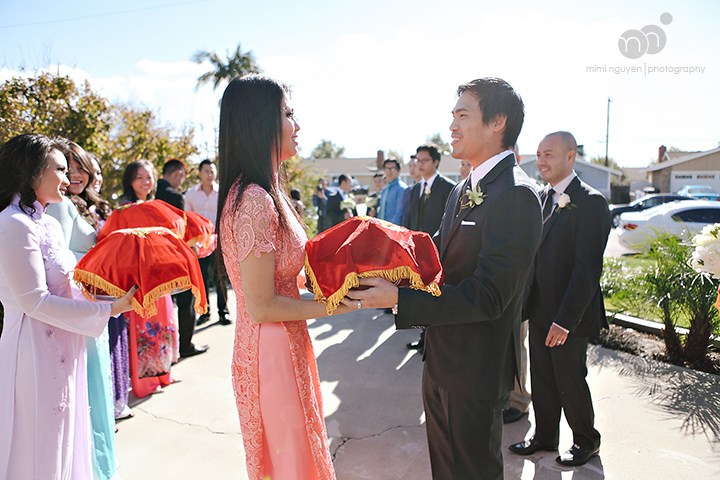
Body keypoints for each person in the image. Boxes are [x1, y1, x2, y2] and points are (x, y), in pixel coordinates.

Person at [347, 78, 542, 479]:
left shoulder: (516, 194)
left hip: (474, 370)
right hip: (440, 361)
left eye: (463, 115)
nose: (452, 125)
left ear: (498, 122)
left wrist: (400, 300)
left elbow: (489, 295)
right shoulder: (465, 188)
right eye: (452, 115)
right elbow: (435, 256)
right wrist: (371, 263)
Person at [216, 74, 350, 480]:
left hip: (281, 339)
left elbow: (285, 276)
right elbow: (261, 305)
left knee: (296, 457)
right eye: (288, 113)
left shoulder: (266, 191)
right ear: (261, 122)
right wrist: (339, 306)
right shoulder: (255, 199)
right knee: (290, 463)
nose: (297, 124)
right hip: (271, 347)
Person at [0, 133, 138, 479]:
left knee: (64, 441)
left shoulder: (47, 223)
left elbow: (70, 285)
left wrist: (113, 298)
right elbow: (34, 301)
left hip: (66, 346)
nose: (69, 178)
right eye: (60, 170)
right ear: (31, 171)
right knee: (38, 445)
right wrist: (108, 311)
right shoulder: (13, 223)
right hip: (32, 350)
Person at [509, 132, 610, 467]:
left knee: (569, 379)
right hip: (539, 308)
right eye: (538, 154)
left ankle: (586, 441)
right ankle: (545, 436)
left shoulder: (591, 202)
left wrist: (564, 321)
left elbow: (587, 270)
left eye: (548, 154)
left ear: (570, 156)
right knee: (542, 377)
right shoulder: (541, 197)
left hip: (570, 314)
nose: (541, 161)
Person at [46, 142, 119, 480]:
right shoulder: (58, 206)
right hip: (78, 306)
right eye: (66, 168)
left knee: (96, 389)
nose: (74, 175)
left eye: (79, 167)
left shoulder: (78, 205)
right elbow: (59, 263)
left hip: (91, 305)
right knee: (88, 392)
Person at [120, 160, 180, 398]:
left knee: (163, 322)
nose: (146, 182)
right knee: (143, 327)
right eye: (139, 177)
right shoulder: (125, 209)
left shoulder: (154, 206)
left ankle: (163, 373)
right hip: (138, 277)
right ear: (130, 181)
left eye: (149, 177)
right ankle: (145, 381)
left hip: (158, 275)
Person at [402, 143, 456, 351]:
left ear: (436, 161)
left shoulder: (448, 188)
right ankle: (423, 337)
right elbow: (409, 221)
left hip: (438, 252)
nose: (420, 164)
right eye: (418, 160)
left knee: (434, 294)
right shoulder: (415, 189)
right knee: (419, 293)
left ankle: (434, 340)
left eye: (425, 160)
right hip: (416, 252)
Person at [156, 159, 207, 358]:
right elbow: (180, 231)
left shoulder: (152, 194)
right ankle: (185, 345)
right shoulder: (175, 197)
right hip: (174, 256)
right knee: (186, 300)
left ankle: (165, 347)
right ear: (177, 174)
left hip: (153, 257)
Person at [185, 159, 231, 326]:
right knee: (202, 278)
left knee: (220, 277)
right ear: (199, 173)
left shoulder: (223, 192)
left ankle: (223, 312)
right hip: (199, 242)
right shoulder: (190, 194)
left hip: (218, 240)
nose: (209, 174)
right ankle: (204, 312)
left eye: (212, 171)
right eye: (206, 171)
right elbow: (187, 218)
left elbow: (227, 215)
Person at [378, 158, 408, 225]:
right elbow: (381, 211)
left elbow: (399, 214)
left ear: (399, 170)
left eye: (392, 169)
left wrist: (389, 229)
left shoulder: (402, 189)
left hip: (394, 228)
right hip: (382, 227)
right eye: (387, 169)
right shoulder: (384, 190)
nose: (389, 172)